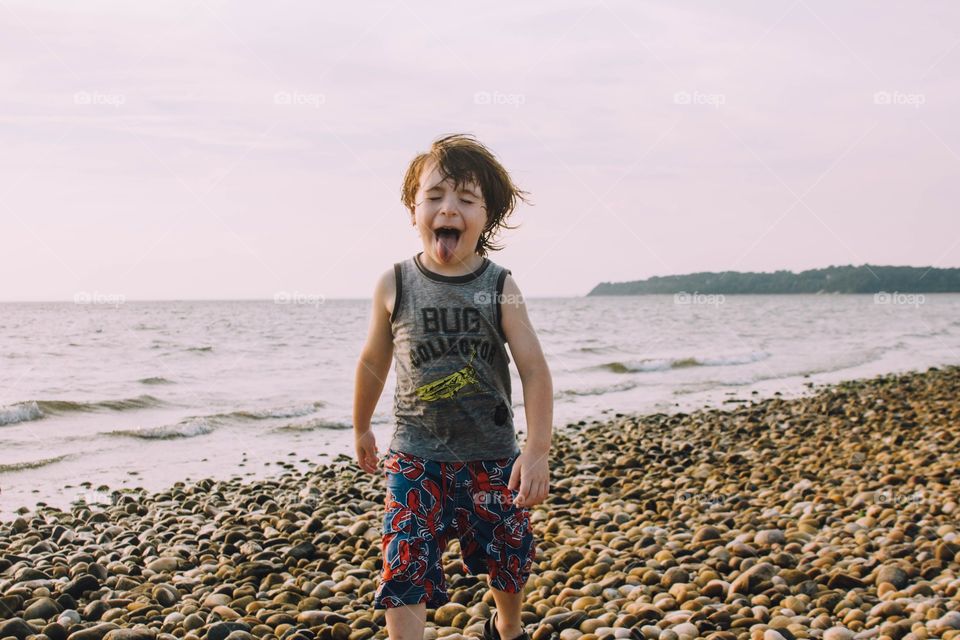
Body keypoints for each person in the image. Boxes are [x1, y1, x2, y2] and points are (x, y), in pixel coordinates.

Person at [352, 133, 554, 640]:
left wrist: (536, 452)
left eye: (466, 200)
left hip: (491, 457)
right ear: (412, 208)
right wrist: (360, 427)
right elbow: (373, 360)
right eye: (436, 196)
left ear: (487, 218)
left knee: (508, 556)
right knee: (405, 562)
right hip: (415, 456)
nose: (450, 209)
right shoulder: (394, 283)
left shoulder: (499, 286)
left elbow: (533, 368)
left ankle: (507, 628)